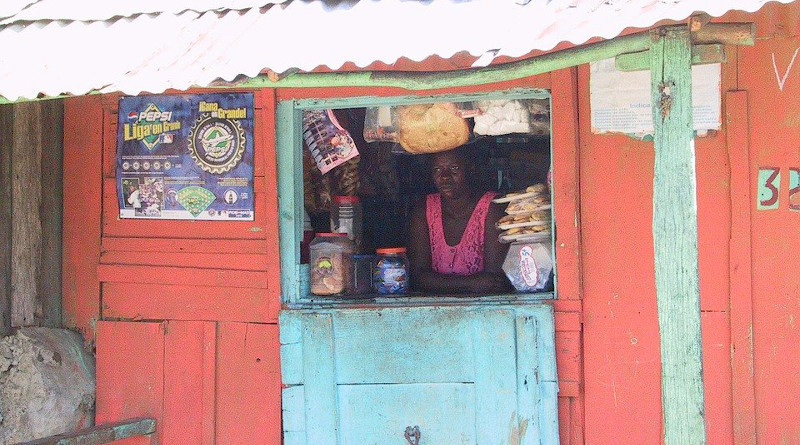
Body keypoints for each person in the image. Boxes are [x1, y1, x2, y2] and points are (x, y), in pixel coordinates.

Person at [407, 147, 511, 294]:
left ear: (470, 169)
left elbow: (493, 282)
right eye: (437, 170)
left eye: (454, 168)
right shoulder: (423, 211)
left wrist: (438, 283)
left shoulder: (491, 207)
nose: (445, 176)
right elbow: (417, 277)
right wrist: (470, 283)